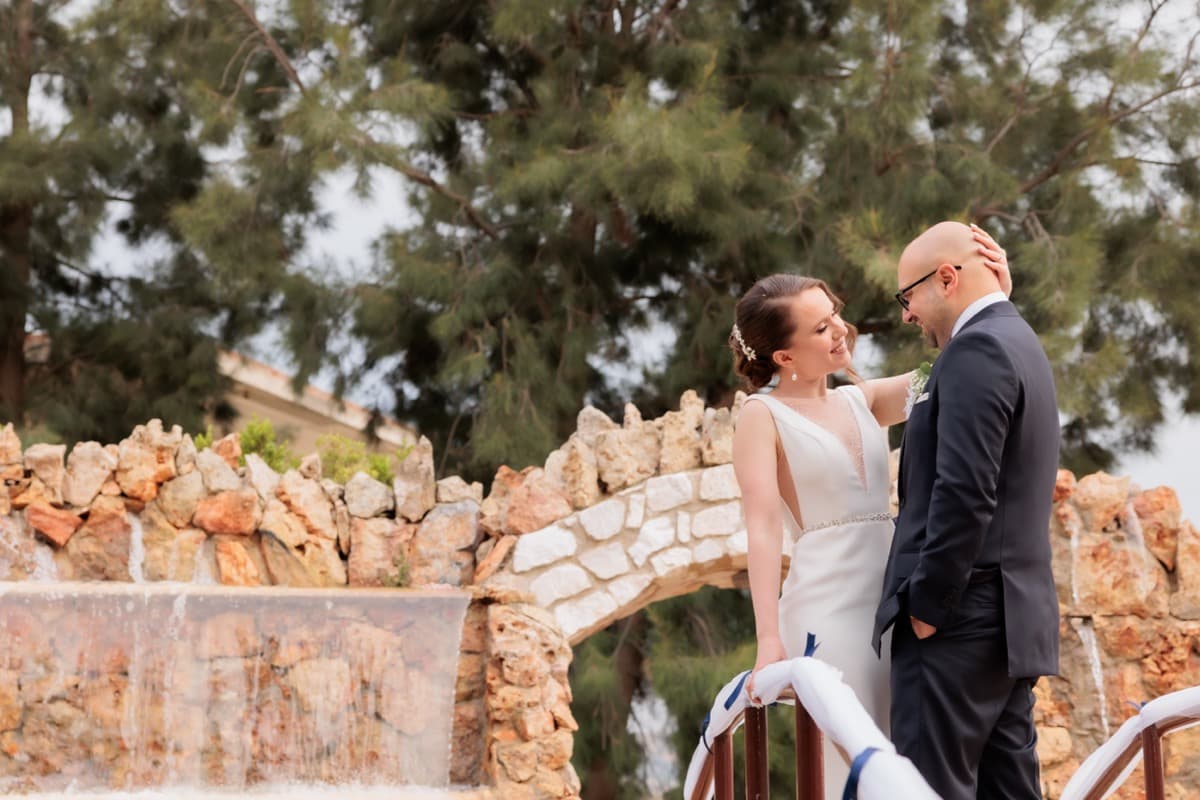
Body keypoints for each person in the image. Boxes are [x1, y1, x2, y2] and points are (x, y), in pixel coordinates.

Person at [731, 225, 1008, 798]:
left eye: (834, 315)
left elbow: (960, 364)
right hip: (826, 608)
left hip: (891, 601)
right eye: (821, 327)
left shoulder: (863, 399)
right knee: (847, 758)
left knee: (901, 754)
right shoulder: (760, 417)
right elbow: (760, 530)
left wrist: (996, 294)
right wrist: (766, 643)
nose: (841, 331)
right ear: (784, 355)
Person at [872, 221, 1060, 799]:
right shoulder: (1015, 337)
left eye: (908, 297)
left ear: (947, 278)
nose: (906, 315)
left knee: (929, 789)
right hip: (1010, 622)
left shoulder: (976, 348)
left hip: (957, 623)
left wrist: (928, 607)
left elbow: (965, 491)